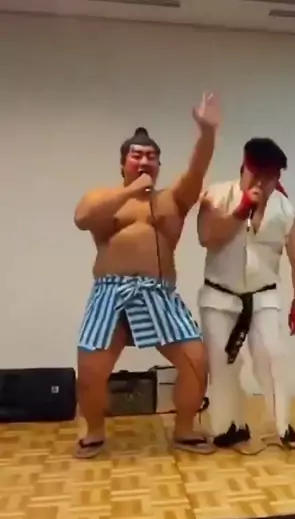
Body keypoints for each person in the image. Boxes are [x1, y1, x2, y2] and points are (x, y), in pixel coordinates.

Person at [73, 92, 221, 458]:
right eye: (136, 155)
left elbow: (197, 170)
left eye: (151, 156)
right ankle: (94, 431)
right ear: (123, 162)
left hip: (158, 292)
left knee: (195, 360)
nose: (144, 161)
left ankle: (184, 429)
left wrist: (207, 132)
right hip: (110, 292)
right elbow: (82, 218)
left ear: (159, 164)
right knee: (91, 369)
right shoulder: (103, 197)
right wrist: (130, 191)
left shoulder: (172, 200)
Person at [197, 137, 295, 449]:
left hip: (263, 295)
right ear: (243, 167)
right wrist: (240, 210)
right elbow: (206, 237)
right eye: (257, 174)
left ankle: (282, 424)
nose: (262, 182)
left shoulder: (286, 209)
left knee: (272, 356)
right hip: (220, 295)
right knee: (223, 364)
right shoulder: (216, 196)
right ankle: (230, 425)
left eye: (270, 177)